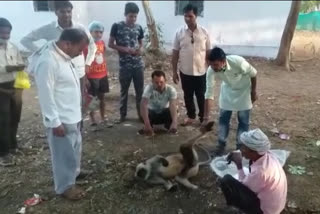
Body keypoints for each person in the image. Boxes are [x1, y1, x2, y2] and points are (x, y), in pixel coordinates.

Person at [20, 0, 97, 126]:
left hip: (79, 71)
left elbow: (92, 46)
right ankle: (59, 125)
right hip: (59, 72)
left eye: (68, 11)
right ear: (56, 12)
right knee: (61, 99)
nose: (66, 14)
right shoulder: (49, 28)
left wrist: (88, 63)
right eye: (62, 12)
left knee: (80, 100)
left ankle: (78, 126)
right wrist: (43, 51)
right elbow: (25, 40)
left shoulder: (80, 28)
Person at [33, 28, 89, 200]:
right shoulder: (48, 61)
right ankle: (65, 186)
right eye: (79, 50)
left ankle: (74, 173)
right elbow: (45, 93)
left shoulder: (64, 57)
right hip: (61, 118)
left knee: (74, 148)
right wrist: (54, 121)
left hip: (73, 114)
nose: (80, 54)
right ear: (67, 44)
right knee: (63, 154)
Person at [201, 47, 258, 156]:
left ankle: (240, 148)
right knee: (223, 120)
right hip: (227, 92)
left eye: (216, 65)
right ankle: (221, 145)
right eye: (211, 65)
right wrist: (205, 118)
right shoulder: (211, 70)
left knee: (243, 122)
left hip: (244, 91)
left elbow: (254, 74)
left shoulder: (238, 62)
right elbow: (209, 94)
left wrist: (253, 92)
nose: (213, 68)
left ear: (223, 61)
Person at [220, 128, 287, 214]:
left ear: (254, 152)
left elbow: (244, 188)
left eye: (244, 148)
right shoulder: (268, 156)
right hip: (275, 206)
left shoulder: (261, 171)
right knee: (249, 166)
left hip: (265, 211)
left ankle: (236, 208)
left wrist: (239, 164)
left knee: (227, 180)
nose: (241, 150)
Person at [172, 3, 211, 126]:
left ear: (196, 16)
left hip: (201, 71)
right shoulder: (179, 32)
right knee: (187, 95)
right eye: (185, 16)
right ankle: (191, 116)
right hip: (185, 71)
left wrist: (210, 71)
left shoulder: (204, 32)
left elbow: (209, 52)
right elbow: (175, 53)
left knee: (201, 95)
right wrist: (174, 72)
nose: (187, 19)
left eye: (190, 16)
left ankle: (203, 117)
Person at [108, 2, 144, 123]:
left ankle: (141, 115)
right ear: (125, 14)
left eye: (135, 16)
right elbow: (110, 44)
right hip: (125, 65)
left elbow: (141, 43)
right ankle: (122, 115)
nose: (133, 19)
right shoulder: (117, 26)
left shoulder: (139, 27)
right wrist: (125, 49)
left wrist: (140, 49)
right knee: (124, 91)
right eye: (130, 16)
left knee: (140, 91)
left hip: (138, 65)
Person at [0, 18, 25, 166]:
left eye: (7, 33)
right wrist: (6, 69)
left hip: (14, 85)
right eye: (2, 32)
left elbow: (19, 63)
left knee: (15, 117)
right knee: (2, 120)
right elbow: (8, 67)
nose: (5, 35)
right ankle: (3, 153)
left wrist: (19, 67)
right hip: (1, 87)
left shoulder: (13, 47)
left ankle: (12, 145)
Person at [84, 21, 111, 127]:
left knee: (102, 98)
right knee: (92, 99)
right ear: (90, 32)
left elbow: (102, 54)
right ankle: (92, 119)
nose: (99, 34)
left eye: (101, 32)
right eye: (96, 32)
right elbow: (83, 61)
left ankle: (103, 117)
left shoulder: (101, 43)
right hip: (91, 76)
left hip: (102, 75)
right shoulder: (86, 45)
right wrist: (85, 78)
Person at [139, 70, 178, 136]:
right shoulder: (148, 88)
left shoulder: (171, 89)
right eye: (156, 82)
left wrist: (174, 123)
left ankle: (170, 126)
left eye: (161, 82)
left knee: (174, 110)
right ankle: (147, 126)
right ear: (152, 82)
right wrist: (147, 124)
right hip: (152, 114)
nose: (159, 84)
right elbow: (143, 104)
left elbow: (173, 105)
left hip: (164, 113)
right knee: (144, 110)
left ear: (165, 80)